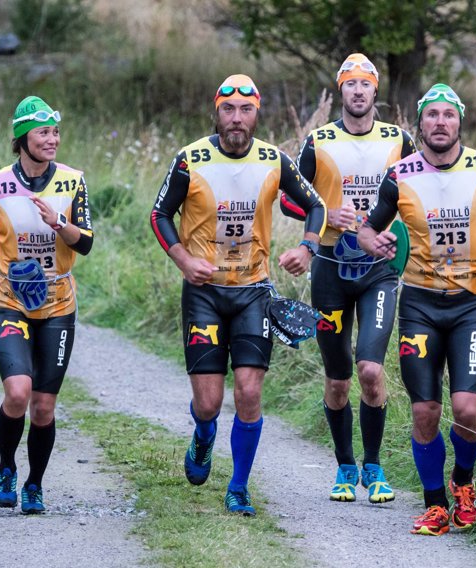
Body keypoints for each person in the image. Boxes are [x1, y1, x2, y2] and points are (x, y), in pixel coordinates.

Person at [151, 74, 327, 516]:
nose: (236, 118)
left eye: (245, 110)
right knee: (208, 404)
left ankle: (239, 487)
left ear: (256, 114)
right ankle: (203, 434)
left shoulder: (274, 160)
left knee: (248, 392)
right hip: (204, 294)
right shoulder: (190, 159)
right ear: (217, 113)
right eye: (228, 109)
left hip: (253, 294)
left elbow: (316, 205)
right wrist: (183, 260)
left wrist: (307, 248)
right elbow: (160, 214)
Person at [358, 83, 476, 535]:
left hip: (473, 304)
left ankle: (463, 482)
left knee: (467, 409)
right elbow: (366, 230)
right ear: (420, 123)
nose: (440, 122)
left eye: (448, 115)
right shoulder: (399, 175)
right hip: (420, 304)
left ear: (460, 121)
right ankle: (435, 505)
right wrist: (374, 242)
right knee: (425, 412)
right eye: (432, 115)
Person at [280, 53, 415, 504]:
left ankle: (374, 466)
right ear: (341, 90)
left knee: (371, 371)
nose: (358, 91)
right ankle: (344, 466)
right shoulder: (318, 142)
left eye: (365, 84)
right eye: (350, 84)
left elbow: (422, 191)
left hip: (380, 270)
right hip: (330, 270)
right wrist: (324, 212)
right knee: (338, 379)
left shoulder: (398, 140)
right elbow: (289, 199)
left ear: (376, 90)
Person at [0, 96, 94, 514]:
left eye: (55, 132)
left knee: (44, 406)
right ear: (22, 139)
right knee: (18, 393)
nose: (52, 140)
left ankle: (34, 484)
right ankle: (6, 469)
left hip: (58, 304)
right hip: (11, 301)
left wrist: (60, 223)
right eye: (42, 133)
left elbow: (86, 243)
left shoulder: (72, 181)